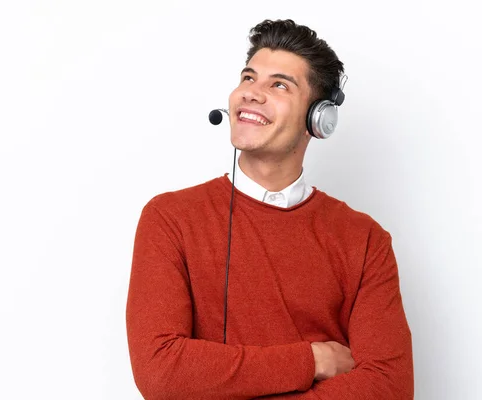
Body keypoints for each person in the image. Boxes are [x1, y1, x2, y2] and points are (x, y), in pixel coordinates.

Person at [126, 19, 413, 399]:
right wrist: (312, 360)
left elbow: (389, 387)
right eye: (248, 78)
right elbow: (161, 372)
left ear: (319, 119)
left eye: (279, 85)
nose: (251, 94)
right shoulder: (170, 218)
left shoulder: (365, 239)